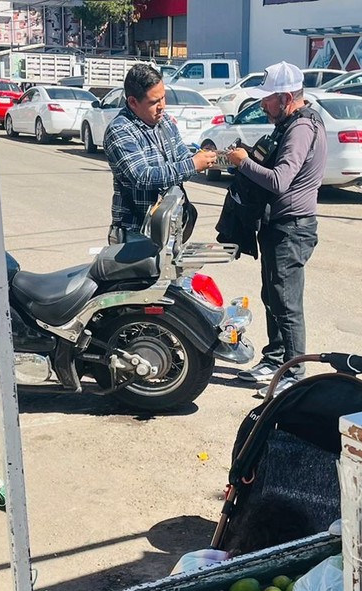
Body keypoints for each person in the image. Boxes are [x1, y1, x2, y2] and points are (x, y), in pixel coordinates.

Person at [223, 61, 327, 396]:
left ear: (285, 97)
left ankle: (295, 372)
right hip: (278, 225)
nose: (262, 105)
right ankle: (276, 358)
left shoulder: (301, 129)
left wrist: (244, 163)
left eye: (267, 99)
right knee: (272, 295)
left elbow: (281, 181)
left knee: (286, 300)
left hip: (293, 228)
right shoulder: (290, 123)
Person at [104, 64, 216, 241]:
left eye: (163, 98)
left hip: (169, 226)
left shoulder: (164, 122)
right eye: (154, 102)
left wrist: (208, 158)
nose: (162, 106)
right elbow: (143, 177)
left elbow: (182, 158)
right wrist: (192, 164)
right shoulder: (120, 130)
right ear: (133, 102)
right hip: (136, 233)